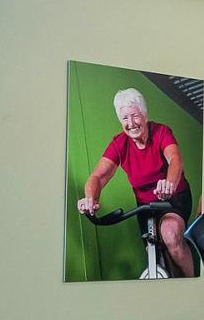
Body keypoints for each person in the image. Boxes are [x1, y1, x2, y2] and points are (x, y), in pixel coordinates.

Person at [76, 87, 195, 276]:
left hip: (173, 198)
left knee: (170, 235)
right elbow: (98, 177)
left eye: (135, 116)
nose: (131, 123)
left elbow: (175, 160)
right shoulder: (119, 143)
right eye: (125, 118)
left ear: (145, 116)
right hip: (145, 207)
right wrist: (90, 198)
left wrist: (169, 183)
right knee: (153, 252)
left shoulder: (161, 132)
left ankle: (193, 282)